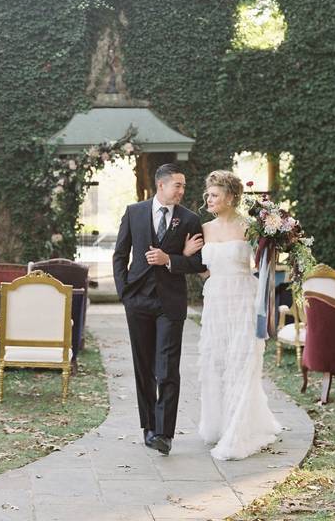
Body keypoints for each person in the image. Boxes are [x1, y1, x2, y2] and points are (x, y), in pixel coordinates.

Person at [184, 170, 281, 461]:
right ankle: (220, 424)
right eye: (208, 194)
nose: (208, 199)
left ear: (230, 196)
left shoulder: (252, 227)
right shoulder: (205, 228)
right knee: (217, 361)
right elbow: (200, 265)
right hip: (215, 301)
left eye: (214, 195)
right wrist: (200, 267)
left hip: (243, 297)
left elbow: (265, 263)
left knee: (242, 360)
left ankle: (238, 431)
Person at [113, 163, 206, 456]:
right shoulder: (134, 212)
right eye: (177, 185)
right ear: (161, 185)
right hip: (138, 300)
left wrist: (171, 259)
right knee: (143, 368)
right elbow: (119, 254)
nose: (182, 191)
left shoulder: (190, 220)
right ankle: (148, 427)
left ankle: (165, 434)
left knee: (167, 369)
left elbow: (201, 263)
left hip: (170, 303)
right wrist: (124, 292)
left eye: (183, 186)